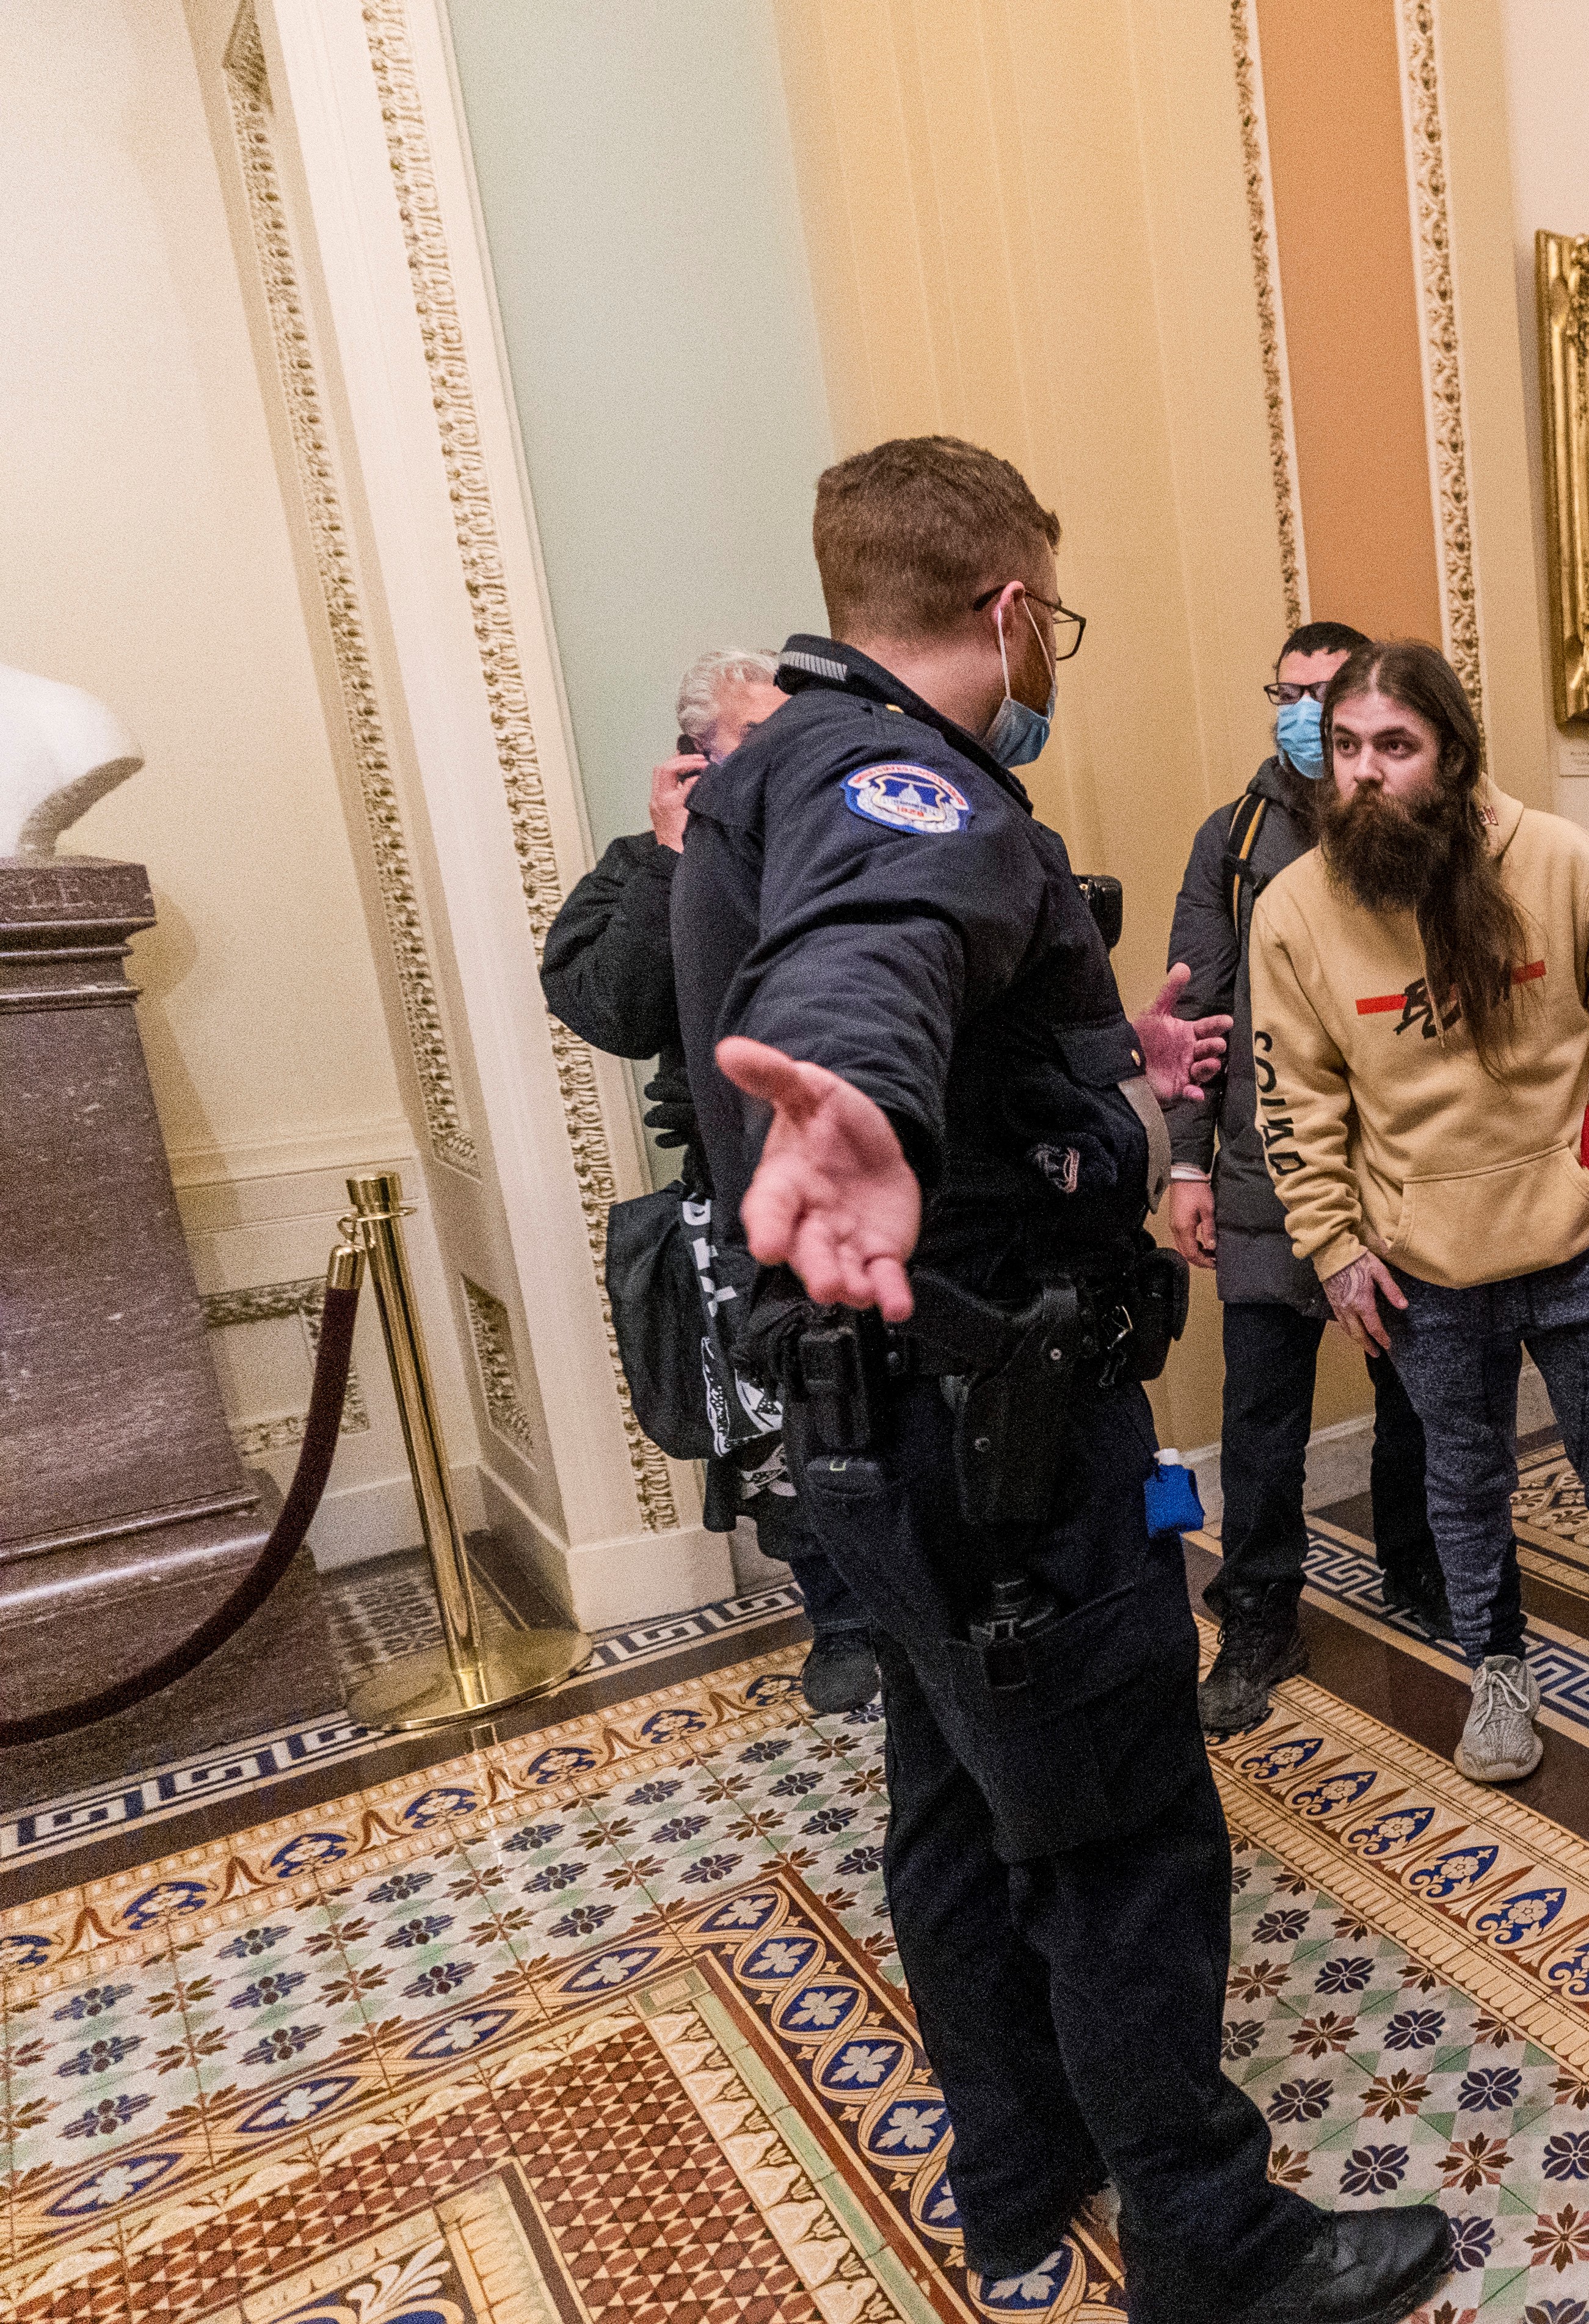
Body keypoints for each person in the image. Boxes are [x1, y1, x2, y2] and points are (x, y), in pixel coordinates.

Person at [669, 435, 1452, 2324]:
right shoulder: (900, 784)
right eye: (1052, 617)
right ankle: (1212, 2241)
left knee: (946, 1801)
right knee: (1122, 1841)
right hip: (997, 1443)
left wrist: (1109, 1074)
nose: (1048, 654)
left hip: (875, 1439)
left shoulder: (755, 776)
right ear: (1012, 606)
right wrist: (854, 1089)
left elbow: (918, 984)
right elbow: (879, 938)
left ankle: (1020, 2176)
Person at [1248, 638, 1589, 1785]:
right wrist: (1335, 1249)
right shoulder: (1292, 911)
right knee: (1461, 1481)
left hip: (1582, 1237)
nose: (1363, 773)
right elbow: (1293, 1102)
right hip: (1421, 1262)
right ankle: (1497, 1666)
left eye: (1395, 748)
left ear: (1452, 758)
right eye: (1345, 747)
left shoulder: (1555, 863)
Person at [540, 647, 877, 1714]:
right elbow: (611, 1007)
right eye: (749, 741)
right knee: (786, 1419)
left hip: (868, 1170)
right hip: (735, 1184)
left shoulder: (848, 832)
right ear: (696, 756)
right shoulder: (649, 867)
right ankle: (842, 1621)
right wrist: (671, 862)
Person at [1166, 617, 1454, 1736]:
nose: (1309, 717)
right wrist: (1185, 1166)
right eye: (1287, 694)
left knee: (1417, 1394)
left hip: (1400, 1166)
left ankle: (1418, 1569)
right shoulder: (1231, 841)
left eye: (1327, 698)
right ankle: (1259, 1615)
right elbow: (1195, 1010)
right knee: (1262, 1413)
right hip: (1260, 1167)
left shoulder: (1420, 829)